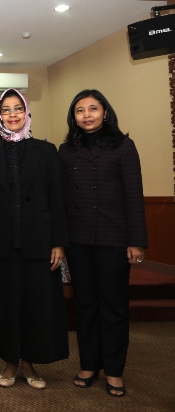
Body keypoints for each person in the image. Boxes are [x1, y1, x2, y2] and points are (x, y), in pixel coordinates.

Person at [0, 88, 69, 390]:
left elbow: (57, 198)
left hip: (39, 242)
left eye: (18, 109)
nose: (12, 114)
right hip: (0, 243)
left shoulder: (46, 151)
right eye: (6, 110)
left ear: (27, 112)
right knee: (5, 304)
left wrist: (58, 242)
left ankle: (29, 363)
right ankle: (10, 362)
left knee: (35, 304)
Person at [58, 89, 147, 398]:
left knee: (114, 306)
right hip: (78, 238)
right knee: (84, 305)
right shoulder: (66, 150)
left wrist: (136, 241)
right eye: (80, 110)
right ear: (74, 117)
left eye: (93, 108)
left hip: (114, 238)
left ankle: (114, 370)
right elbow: (61, 199)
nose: (87, 115)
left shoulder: (124, 146)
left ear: (105, 112)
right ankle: (88, 364)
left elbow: (134, 195)